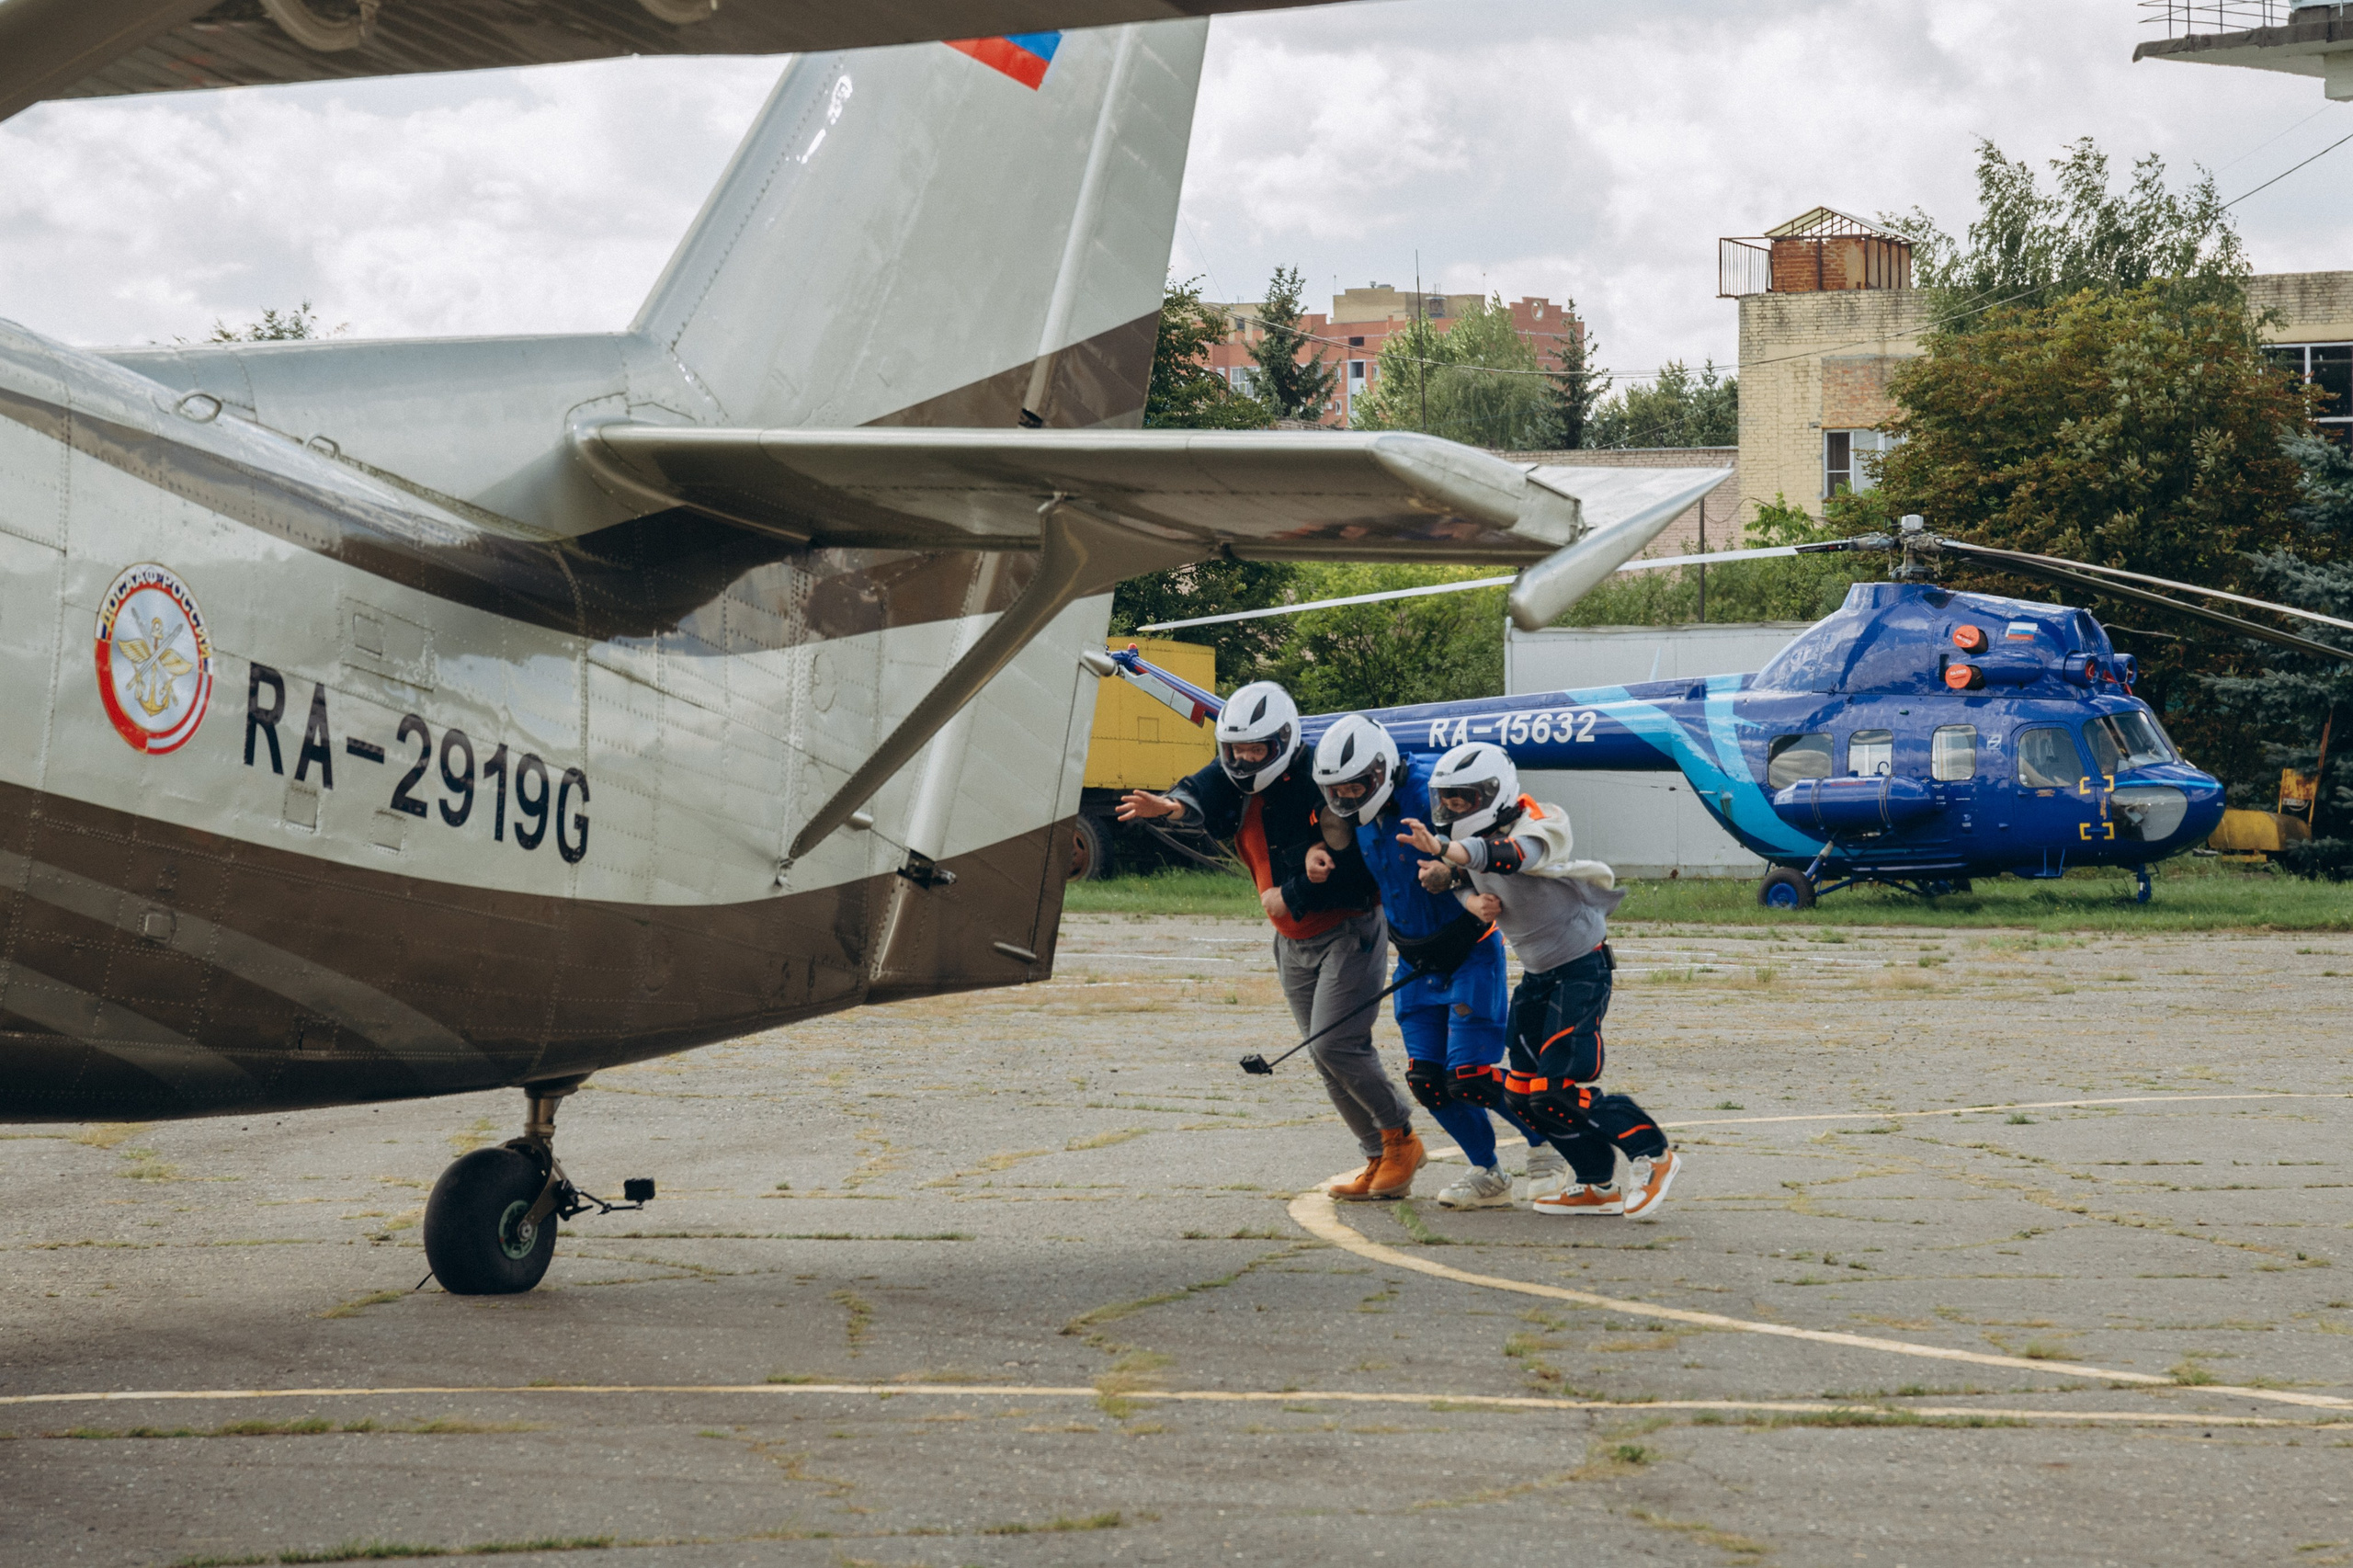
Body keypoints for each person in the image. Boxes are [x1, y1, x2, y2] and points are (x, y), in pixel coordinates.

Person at [1118, 682, 1426, 1200]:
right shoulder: (1237, 772)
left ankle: (1401, 1139)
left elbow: (1360, 868)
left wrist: (1298, 889)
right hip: (1291, 940)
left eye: (1255, 749)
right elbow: (1205, 788)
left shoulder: (1319, 777)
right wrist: (1170, 806)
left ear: (1283, 741)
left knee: (1336, 1044)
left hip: (1347, 932)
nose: (1243, 758)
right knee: (1323, 1056)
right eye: (1235, 749)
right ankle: (1376, 1156)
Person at [1402, 742, 1681, 1220]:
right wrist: (1456, 888)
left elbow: (1510, 858)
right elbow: (1469, 874)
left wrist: (1447, 852)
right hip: (1537, 974)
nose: (1451, 808)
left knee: (1559, 1087)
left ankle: (1652, 1153)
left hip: (1580, 970)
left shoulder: (1541, 820)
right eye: (1445, 799)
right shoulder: (1470, 842)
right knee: (1523, 1092)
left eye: (1462, 798)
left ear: (1493, 793)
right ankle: (1596, 1182)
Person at [1307, 715, 1561, 1210]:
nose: (1349, 797)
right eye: (1338, 790)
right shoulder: (1350, 810)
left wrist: (1455, 861)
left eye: (1358, 785)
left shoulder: (1436, 786)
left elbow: (1518, 815)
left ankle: (1547, 1144)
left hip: (1469, 950)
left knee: (1472, 1076)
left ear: (1383, 771)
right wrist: (1317, 847)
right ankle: (1487, 1172)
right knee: (1427, 1080)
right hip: (1414, 960)